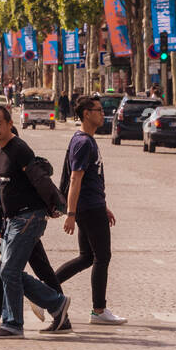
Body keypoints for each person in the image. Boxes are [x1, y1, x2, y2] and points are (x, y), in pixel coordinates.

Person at [0, 105, 71, 338]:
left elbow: (39, 178)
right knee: (7, 270)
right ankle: (57, 304)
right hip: (14, 220)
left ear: (10, 124)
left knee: (8, 270)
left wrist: (58, 205)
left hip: (28, 217)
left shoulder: (19, 148)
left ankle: (12, 323)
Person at [56, 96, 127, 325]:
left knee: (87, 257)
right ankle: (98, 310)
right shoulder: (84, 142)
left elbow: (89, 179)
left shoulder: (85, 140)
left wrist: (103, 205)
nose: (102, 114)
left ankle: (45, 289)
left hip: (92, 205)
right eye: (98, 110)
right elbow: (76, 178)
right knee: (102, 257)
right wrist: (70, 213)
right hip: (88, 207)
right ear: (86, 113)